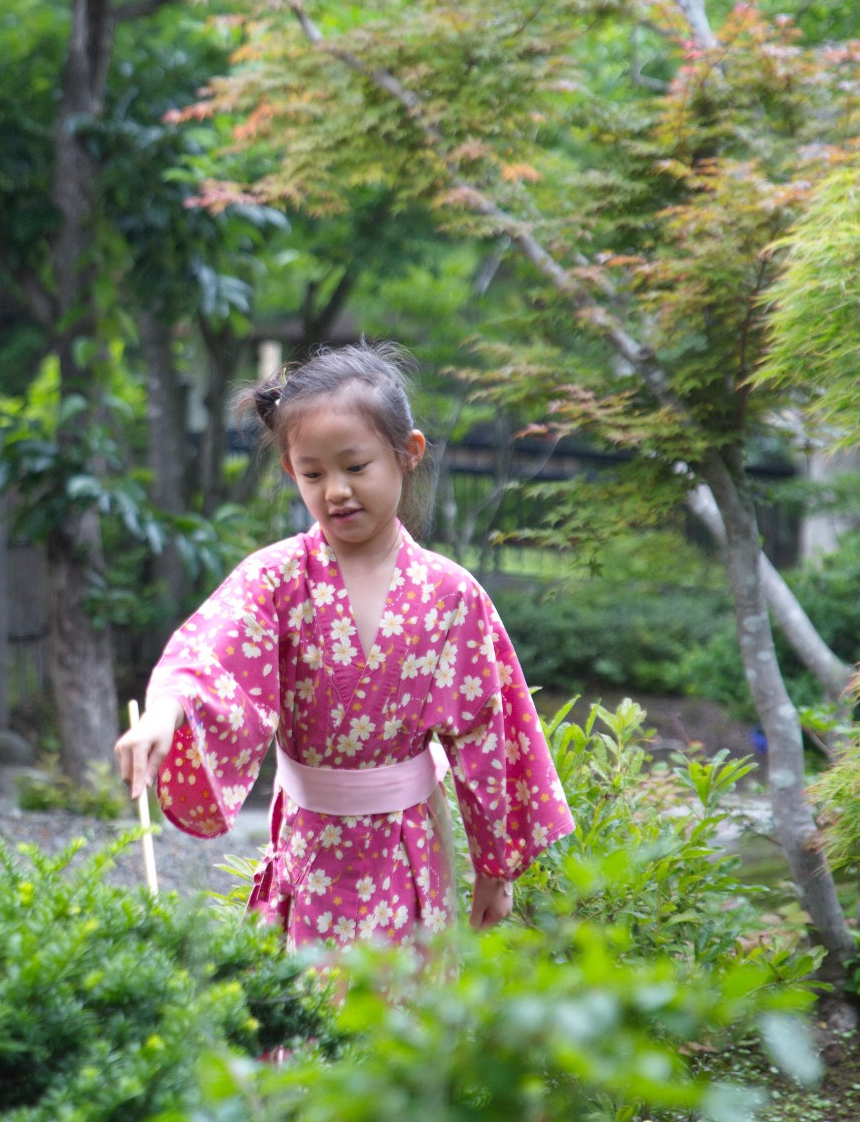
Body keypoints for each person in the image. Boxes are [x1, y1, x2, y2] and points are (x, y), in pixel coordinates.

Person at [114, 342, 573, 950]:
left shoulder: (450, 594)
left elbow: (490, 730)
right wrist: (165, 714)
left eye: (355, 467)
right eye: (313, 473)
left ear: (406, 454)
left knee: (399, 1024)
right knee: (304, 1018)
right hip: (309, 849)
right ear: (290, 471)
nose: (335, 490)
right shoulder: (275, 578)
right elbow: (211, 655)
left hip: (408, 850)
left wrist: (495, 870)